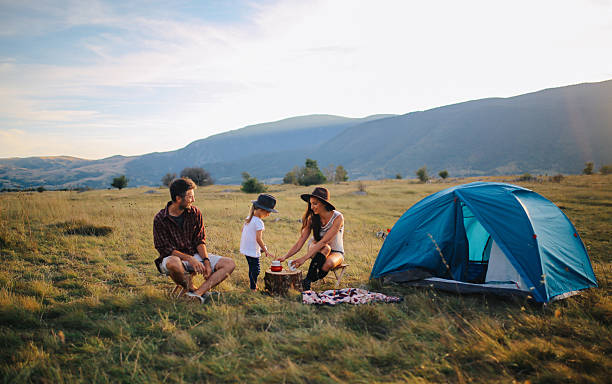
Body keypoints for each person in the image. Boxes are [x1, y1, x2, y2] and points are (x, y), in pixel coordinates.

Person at [153, 177, 235, 303]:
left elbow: (199, 240)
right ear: (178, 198)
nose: (193, 200)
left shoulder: (195, 213)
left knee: (229, 263)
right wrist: (189, 259)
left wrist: (206, 262)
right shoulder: (160, 219)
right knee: (173, 262)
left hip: (195, 255)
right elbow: (165, 249)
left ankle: (197, 294)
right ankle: (191, 288)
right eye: (190, 197)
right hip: (172, 259)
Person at [277, 187, 344, 290]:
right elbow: (300, 242)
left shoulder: (338, 217)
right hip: (317, 249)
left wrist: (304, 258)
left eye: (315, 203)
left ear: (324, 203)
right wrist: (285, 257)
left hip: (336, 252)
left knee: (327, 264)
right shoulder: (312, 219)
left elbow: (325, 240)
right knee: (326, 248)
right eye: (311, 203)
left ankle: (306, 280)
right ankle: (306, 282)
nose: (311, 207)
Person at [240, 194, 278, 291]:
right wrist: (265, 250)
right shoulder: (259, 222)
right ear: (261, 210)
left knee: (252, 268)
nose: (269, 215)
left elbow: (243, 231)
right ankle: (253, 288)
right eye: (268, 212)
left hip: (246, 248)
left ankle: (253, 285)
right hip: (252, 250)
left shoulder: (249, 217)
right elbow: (258, 239)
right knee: (256, 270)